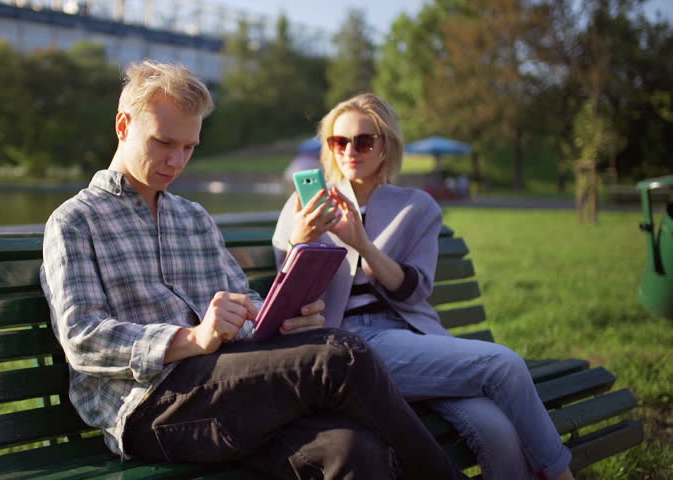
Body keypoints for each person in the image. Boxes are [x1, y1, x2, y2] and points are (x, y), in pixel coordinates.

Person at [40, 61, 469, 480]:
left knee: (355, 452)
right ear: (123, 126)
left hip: (232, 390)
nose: (176, 161)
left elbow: (245, 303)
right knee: (341, 353)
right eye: (163, 143)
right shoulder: (75, 221)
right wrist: (191, 338)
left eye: (189, 148)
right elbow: (82, 338)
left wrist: (282, 320)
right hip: (150, 406)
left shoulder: (193, 218)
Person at [273, 92, 575, 480]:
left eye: (364, 140)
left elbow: (413, 290)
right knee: (504, 364)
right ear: (329, 147)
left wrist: (361, 243)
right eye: (339, 141)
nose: (351, 150)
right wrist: (301, 240)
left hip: (410, 339)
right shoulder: (302, 205)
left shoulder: (415, 206)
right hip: (349, 347)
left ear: (386, 148)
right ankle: (562, 474)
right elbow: (290, 299)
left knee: (497, 431)